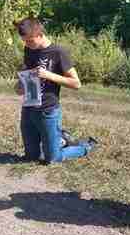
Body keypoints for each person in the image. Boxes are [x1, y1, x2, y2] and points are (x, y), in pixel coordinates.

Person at [15, 17, 96, 164]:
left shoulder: (58, 52)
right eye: (25, 41)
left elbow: (76, 84)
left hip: (48, 110)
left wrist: (49, 75)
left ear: (40, 35)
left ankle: (85, 146)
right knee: (31, 157)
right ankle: (59, 140)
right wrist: (21, 82)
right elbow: (27, 72)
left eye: (30, 41)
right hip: (28, 108)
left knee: (52, 159)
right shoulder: (29, 49)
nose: (27, 44)